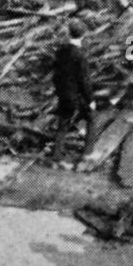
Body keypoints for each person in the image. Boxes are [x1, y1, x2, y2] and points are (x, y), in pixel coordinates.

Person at [52, 18, 95, 161]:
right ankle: (88, 153)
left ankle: (57, 156)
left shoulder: (60, 51)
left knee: (63, 124)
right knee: (91, 118)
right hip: (76, 95)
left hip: (63, 93)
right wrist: (90, 100)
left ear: (69, 33)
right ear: (83, 35)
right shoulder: (80, 56)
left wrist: (59, 91)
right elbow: (85, 81)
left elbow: (56, 74)